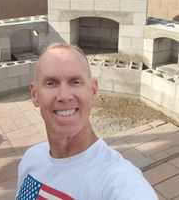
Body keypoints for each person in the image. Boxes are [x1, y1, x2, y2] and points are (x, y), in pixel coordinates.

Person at [16, 43, 158, 200]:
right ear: (35, 94)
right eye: (51, 83)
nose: (64, 96)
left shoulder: (118, 180)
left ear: (93, 91)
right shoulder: (31, 158)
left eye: (75, 82)